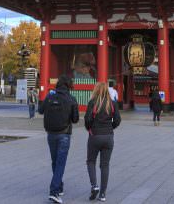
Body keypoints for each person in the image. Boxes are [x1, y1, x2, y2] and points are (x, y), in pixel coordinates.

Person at [38, 75, 79, 203]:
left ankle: (59, 186)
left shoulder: (50, 96)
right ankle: (54, 191)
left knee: (55, 161)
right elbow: (75, 119)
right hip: (64, 134)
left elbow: (40, 110)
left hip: (51, 133)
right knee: (60, 163)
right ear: (68, 85)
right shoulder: (71, 99)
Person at [84, 82, 121, 202]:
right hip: (108, 136)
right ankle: (103, 194)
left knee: (90, 161)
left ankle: (94, 185)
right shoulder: (113, 103)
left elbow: (87, 119)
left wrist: (90, 128)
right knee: (105, 165)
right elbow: (117, 120)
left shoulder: (93, 102)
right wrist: (110, 127)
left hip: (95, 136)